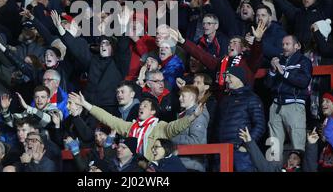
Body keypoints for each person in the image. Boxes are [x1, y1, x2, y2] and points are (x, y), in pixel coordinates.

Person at [68, 91, 205, 162]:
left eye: (145, 106)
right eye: (140, 105)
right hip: (130, 168)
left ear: (153, 112)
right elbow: (108, 118)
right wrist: (86, 104)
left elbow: (175, 127)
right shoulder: (130, 127)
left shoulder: (159, 126)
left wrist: (192, 116)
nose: (141, 107)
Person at [266, 35, 313, 159]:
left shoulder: (304, 61)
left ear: (297, 46)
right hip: (276, 105)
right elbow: (268, 84)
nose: (284, 47)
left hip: (294, 104)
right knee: (274, 149)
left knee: (298, 147)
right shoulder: (279, 60)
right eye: (283, 44)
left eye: (287, 44)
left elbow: (304, 81)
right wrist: (272, 70)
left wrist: (284, 72)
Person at [216, 66, 266, 172]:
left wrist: (246, 146)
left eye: (229, 76)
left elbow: (260, 125)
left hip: (240, 152)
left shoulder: (251, 98)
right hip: (222, 151)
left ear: (239, 78)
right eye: (226, 76)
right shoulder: (225, 99)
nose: (226, 80)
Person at [171, 85, 209, 172]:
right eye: (180, 96)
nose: (180, 98)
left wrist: (172, 138)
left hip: (192, 166)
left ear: (192, 97)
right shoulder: (184, 115)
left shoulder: (199, 115)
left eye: (183, 96)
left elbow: (196, 141)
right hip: (183, 163)